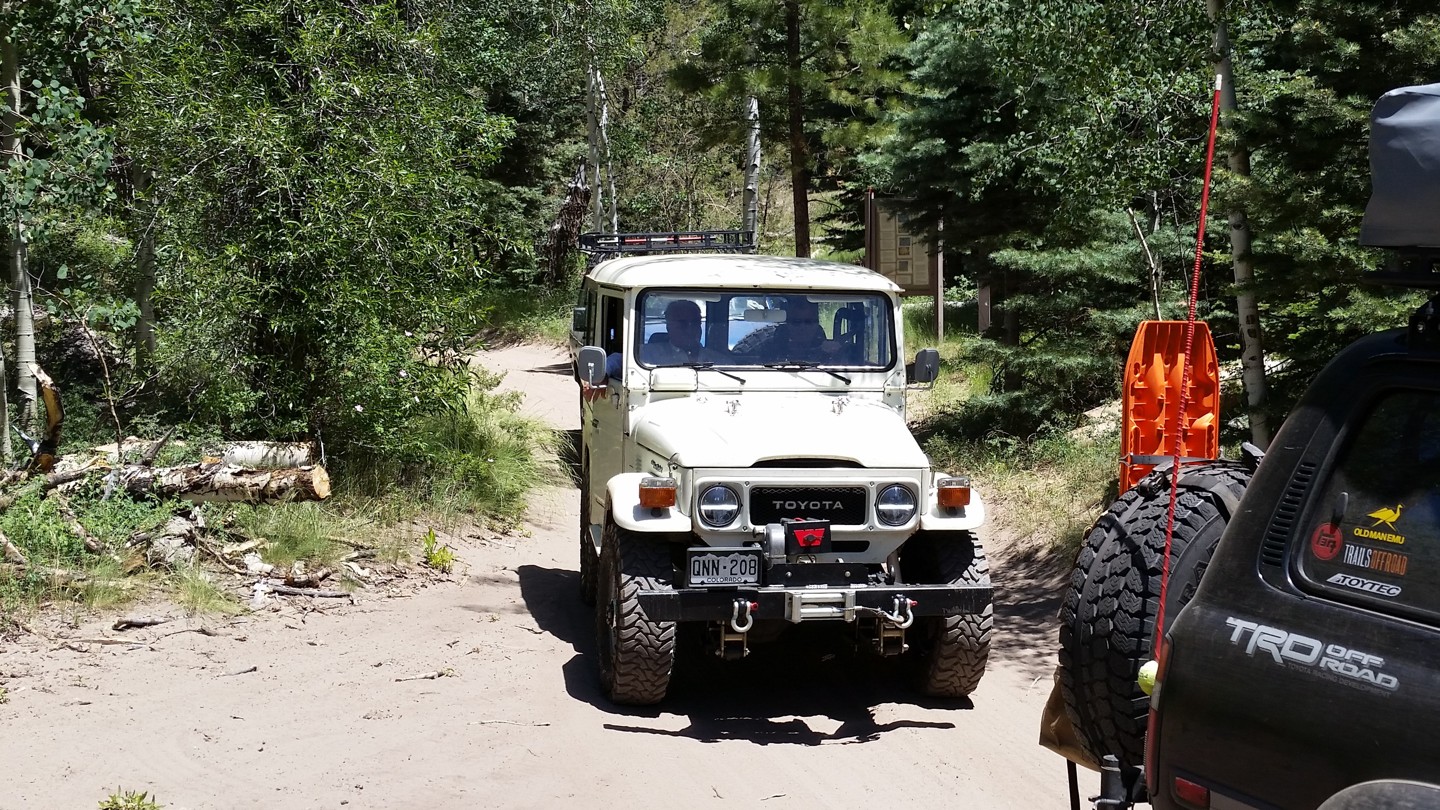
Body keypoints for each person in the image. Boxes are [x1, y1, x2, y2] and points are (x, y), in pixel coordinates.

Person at [766, 297, 849, 362]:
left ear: (816, 325)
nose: (803, 327)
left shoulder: (830, 354)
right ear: (788, 324)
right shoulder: (768, 353)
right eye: (796, 322)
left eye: (809, 322)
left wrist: (836, 354)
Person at [642, 299, 718, 365]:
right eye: (682, 324)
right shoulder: (646, 356)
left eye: (695, 323)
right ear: (669, 326)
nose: (690, 330)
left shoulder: (718, 361)